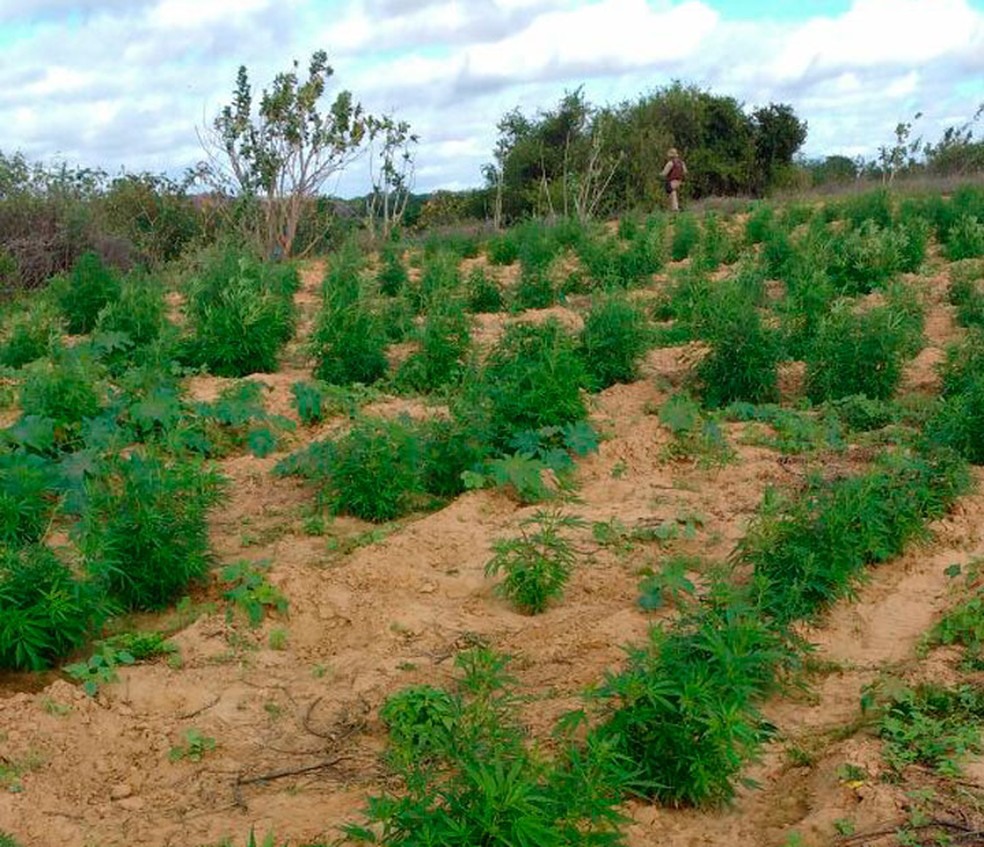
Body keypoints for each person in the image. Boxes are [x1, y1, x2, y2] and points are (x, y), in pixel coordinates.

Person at [661, 147, 687, 212]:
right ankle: (676, 207)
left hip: (672, 182)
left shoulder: (670, 163)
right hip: (679, 181)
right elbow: (685, 172)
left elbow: (664, 173)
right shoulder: (682, 163)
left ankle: (674, 208)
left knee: (670, 190)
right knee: (674, 192)